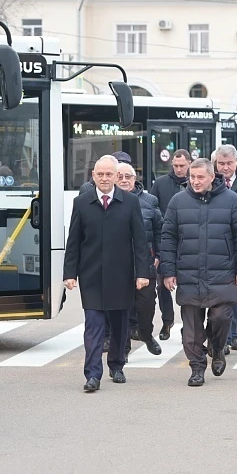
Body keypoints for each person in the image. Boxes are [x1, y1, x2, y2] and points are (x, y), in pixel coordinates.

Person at [160, 158, 237, 387]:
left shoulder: (231, 200)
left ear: (212, 177)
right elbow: (168, 237)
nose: (195, 181)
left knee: (221, 317)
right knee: (191, 331)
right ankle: (197, 368)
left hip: (223, 273)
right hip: (189, 273)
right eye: (192, 177)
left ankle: (218, 348)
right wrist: (168, 271)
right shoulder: (178, 201)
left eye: (200, 177)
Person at [64, 155, 151, 393]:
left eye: (109, 174)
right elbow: (73, 241)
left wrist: (142, 273)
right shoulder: (82, 203)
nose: (104, 178)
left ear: (116, 177)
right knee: (93, 325)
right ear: (93, 176)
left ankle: (116, 364)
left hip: (121, 276)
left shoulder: (130, 202)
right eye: (100, 174)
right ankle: (92, 374)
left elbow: (140, 242)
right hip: (91, 276)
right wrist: (69, 273)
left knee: (120, 324)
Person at [116, 162, 163, 355]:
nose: (124, 180)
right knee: (122, 308)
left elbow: (160, 231)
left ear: (135, 179)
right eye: (120, 176)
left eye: (128, 176)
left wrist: (159, 255)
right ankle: (124, 348)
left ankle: (146, 334)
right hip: (118, 266)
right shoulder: (110, 202)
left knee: (146, 306)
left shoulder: (150, 201)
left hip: (145, 263)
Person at [150, 149, 191, 340]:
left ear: (189, 163)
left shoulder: (195, 182)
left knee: (187, 287)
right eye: (175, 166)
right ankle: (167, 321)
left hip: (189, 242)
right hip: (166, 241)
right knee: (162, 284)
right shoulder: (160, 184)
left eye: (182, 165)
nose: (179, 169)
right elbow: (152, 210)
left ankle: (188, 325)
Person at [212, 144, 237, 351]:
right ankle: (222, 337)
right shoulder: (210, 182)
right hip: (216, 245)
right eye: (221, 163)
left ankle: (235, 333)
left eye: (229, 163)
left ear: (236, 162)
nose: (225, 168)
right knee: (218, 295)